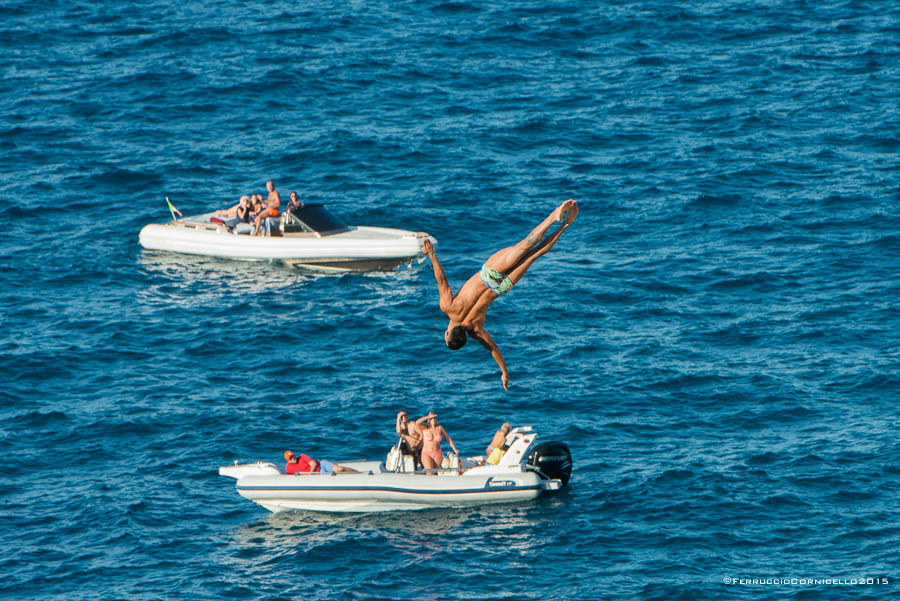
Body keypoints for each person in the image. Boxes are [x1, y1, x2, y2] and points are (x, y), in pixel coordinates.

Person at [422, 199, 578, 391]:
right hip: (490, 275)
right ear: (446, 333)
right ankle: (552, 216)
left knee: (534, 255)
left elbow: (494, 349)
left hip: (501, 288)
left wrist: (504, 372)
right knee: (524, 246)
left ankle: (565, 225)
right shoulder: (448, 307)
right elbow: (442, 280)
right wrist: (431, 254)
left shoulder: (475, 330)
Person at [283, 449, 358, 474]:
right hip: (319, 476)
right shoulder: (288, 468)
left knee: (340, 469)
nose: (293, 458)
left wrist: (311, 474)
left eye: (293, 456)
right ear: (288, 461)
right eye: (291, 458)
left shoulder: (302, 456)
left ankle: (358, 474)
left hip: (321, 465)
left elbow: (314, 464)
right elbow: (288, 476)